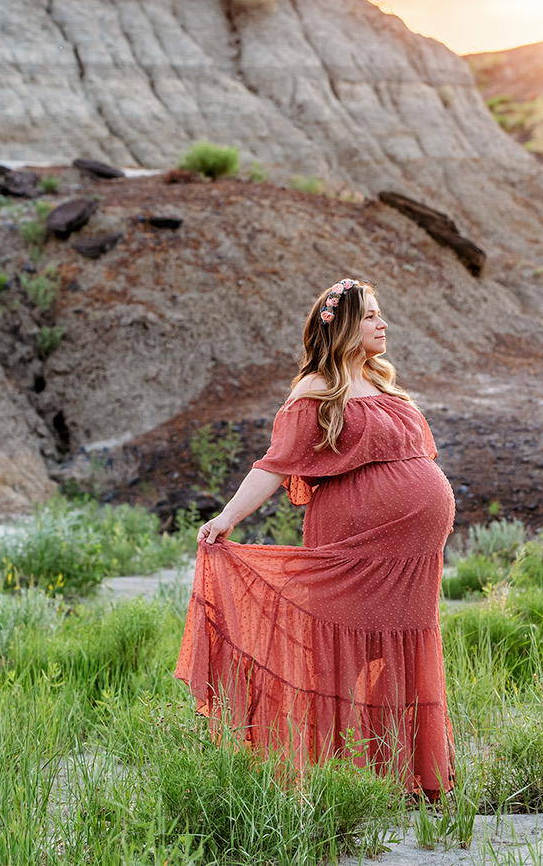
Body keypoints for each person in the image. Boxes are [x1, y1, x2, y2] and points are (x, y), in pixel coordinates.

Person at [175, 278, 457, 797]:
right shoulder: (316, 391)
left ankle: (399, 775)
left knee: (394, 650)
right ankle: (330, 777)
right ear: (346, 325)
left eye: (380, 314)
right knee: (342, 652)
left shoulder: (384, 385)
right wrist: (227, 517)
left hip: (409, 556)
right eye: (371, 315)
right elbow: (276, 464)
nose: (382, 323)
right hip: (356, 543)